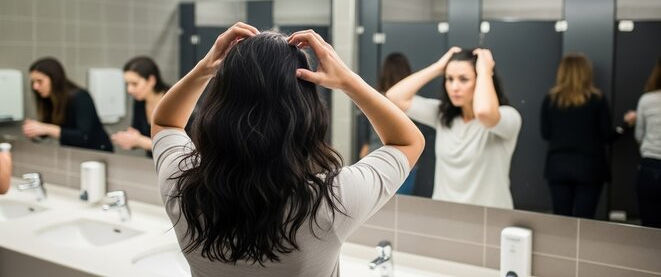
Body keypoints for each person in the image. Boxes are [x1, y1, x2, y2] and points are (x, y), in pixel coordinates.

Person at [151, 23, 424, 276]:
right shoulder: (331, 201)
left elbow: (165, 122)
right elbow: (407, 141)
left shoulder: (180, 186)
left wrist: (204, 68)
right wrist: (347, 81)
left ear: (219, 102)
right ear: (306, 109)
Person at [386, 47, 521, 209]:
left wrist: (485, 71)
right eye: (449, 79)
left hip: (490, 219)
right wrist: (437, 67)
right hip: (447, 217)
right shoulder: (442, 116)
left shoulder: (508, 117)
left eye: (463, 79)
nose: (454, 87)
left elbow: (484, 112)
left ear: (481, 80)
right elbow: (394, 97)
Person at [540, 53, 619, 219]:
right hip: (589, 168)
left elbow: (545, 134)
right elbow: (607, 135)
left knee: (562, 220)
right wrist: (624, 127)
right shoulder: (598, 99)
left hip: (558, 166)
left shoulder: (551, 99)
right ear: (587, 73)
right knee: (585, 222)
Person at [22, 57, 113, 152]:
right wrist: (36, 130)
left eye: (40, 81)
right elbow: (56, 128)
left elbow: (84, 136)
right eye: (33, 82)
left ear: (54, 79)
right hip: (74, 152)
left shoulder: (81, 97)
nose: (35, 87)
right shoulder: (49, 99)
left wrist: (46, 128)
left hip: (98, 152)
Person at [359, 52, 418, 195]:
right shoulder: (409, 103)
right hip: (404, 160)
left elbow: (368, 134)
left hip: (376, 156)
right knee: (400, 207)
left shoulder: (375, 98)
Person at [112, 56, 169, 157]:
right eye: (127, 84)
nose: (129, 90)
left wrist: (141, 141)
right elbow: (137, 132)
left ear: (151, 80)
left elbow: (183, 148)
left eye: (134, 84)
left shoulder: (174, 101)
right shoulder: (140, 101)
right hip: (153, 164)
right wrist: (130, 139)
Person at [630, 57, 661, 228]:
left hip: (650, 166)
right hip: (650, 165)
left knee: (649, 228)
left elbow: (639, 135)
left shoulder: (647, 100)